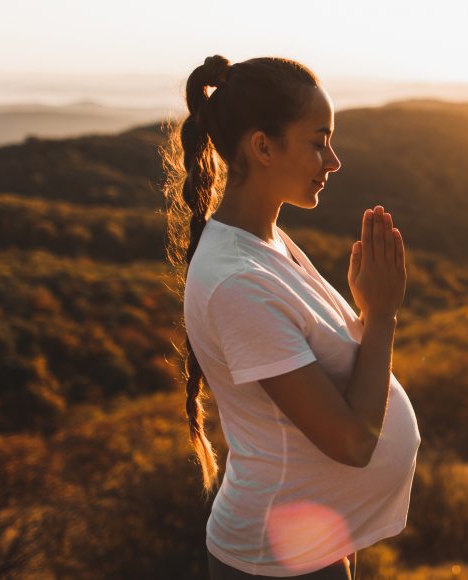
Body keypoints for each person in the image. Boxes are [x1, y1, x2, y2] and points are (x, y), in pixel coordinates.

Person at [161, 55, 421, 579]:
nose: (334, 160)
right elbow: (351, 442)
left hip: (312, 541)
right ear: (262, 147)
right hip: (277, 560)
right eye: (318, 141)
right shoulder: (237, 282)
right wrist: (381, 314)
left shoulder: (265, 241)